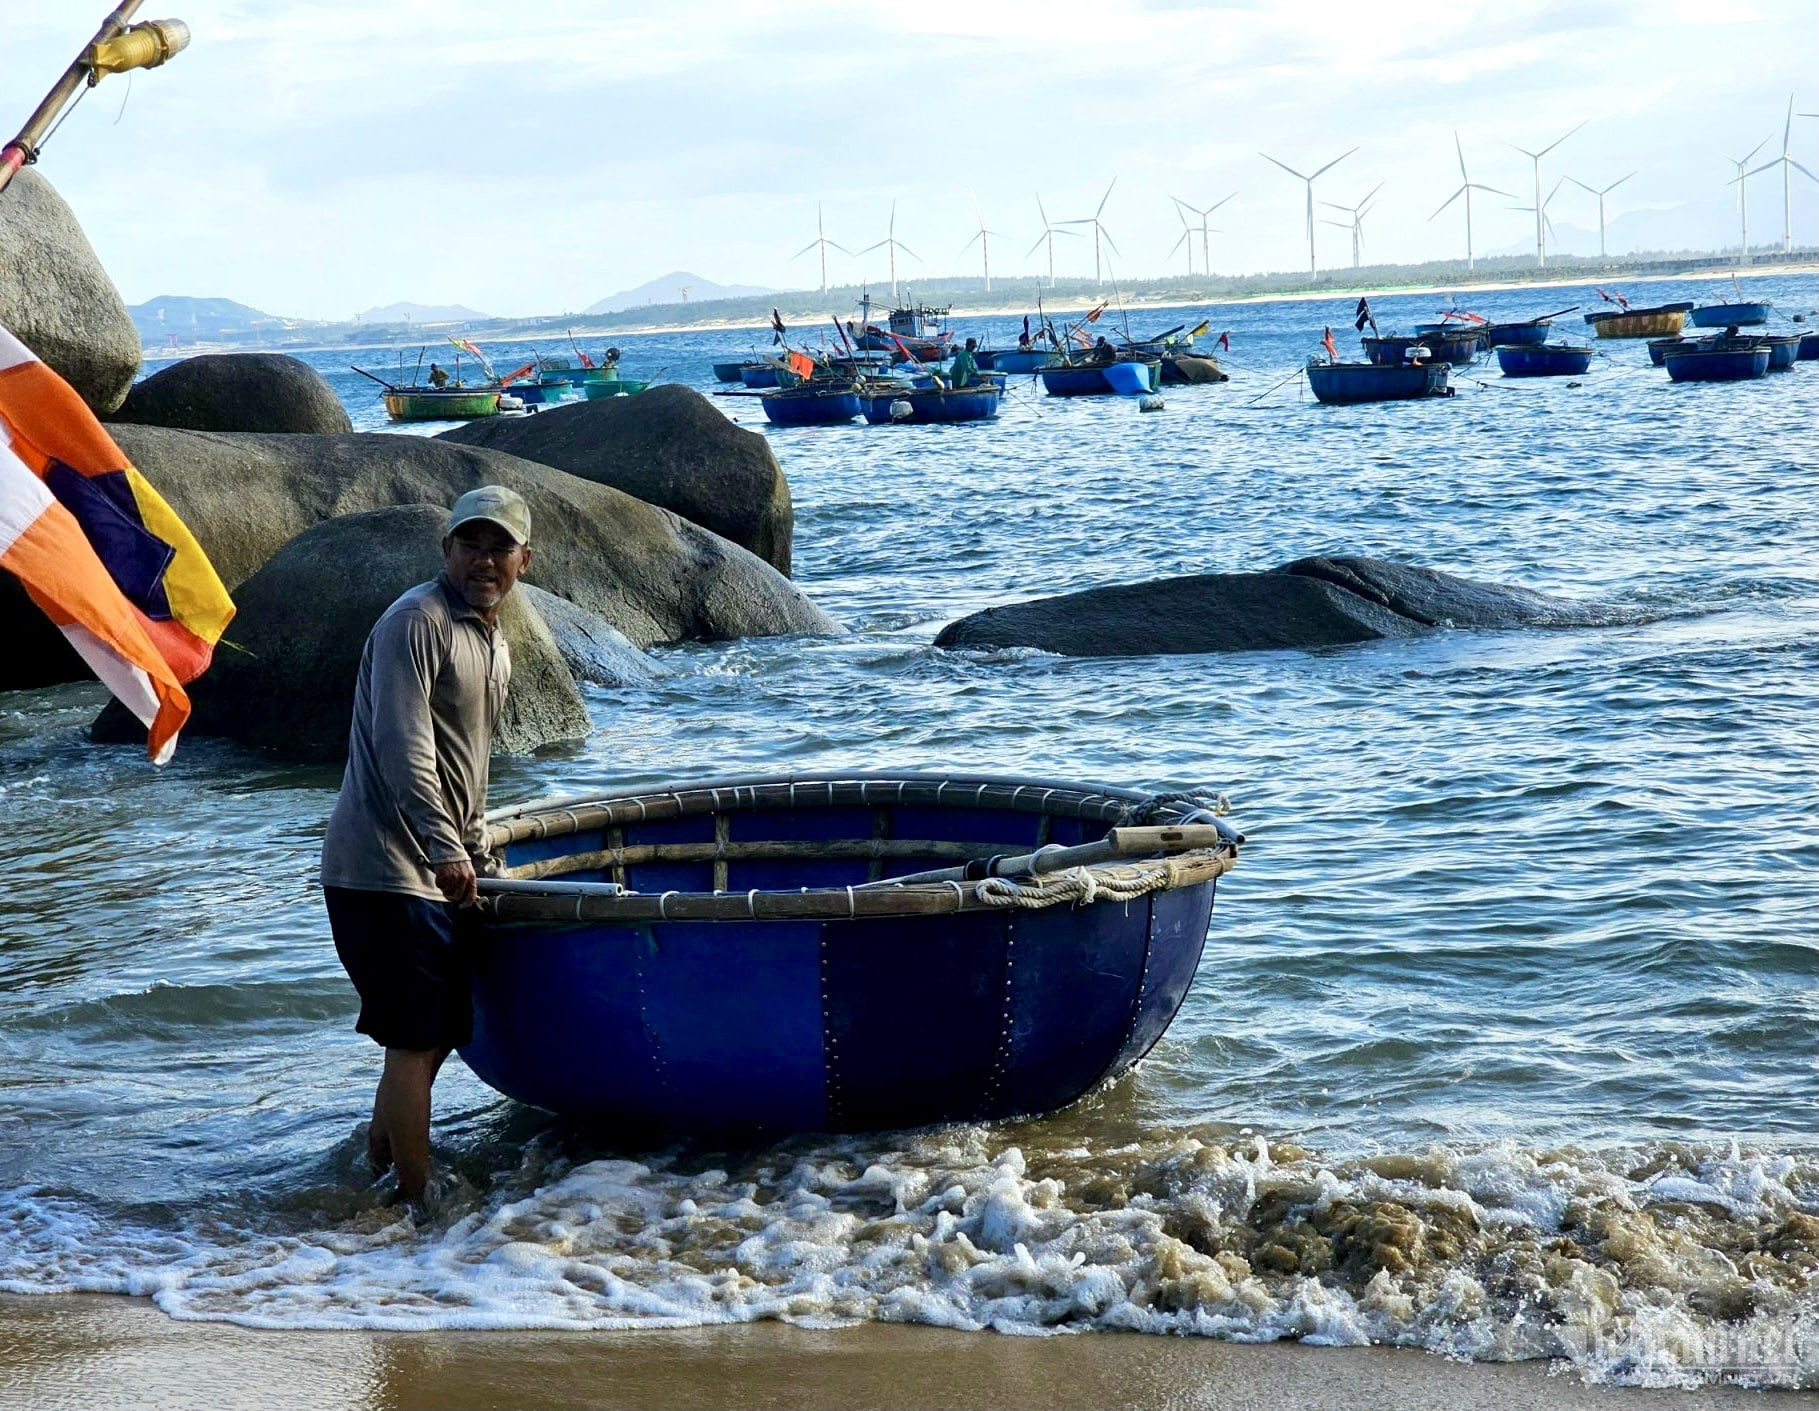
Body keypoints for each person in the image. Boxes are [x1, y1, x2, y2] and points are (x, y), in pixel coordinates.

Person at [319, 485, 533, 1205]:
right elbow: (403, 748)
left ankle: (380, 1174)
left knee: (431, 1037)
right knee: (414, 1043)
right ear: (444, 549)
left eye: (498, 546)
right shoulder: (418, 620)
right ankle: (416, 1214)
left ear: (523, 561)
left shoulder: (489, 637)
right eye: (469, 543)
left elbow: (466, 765)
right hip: (382, 871)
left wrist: (477, 849)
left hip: (432, 868)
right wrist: (447, 850)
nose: (483, 559)